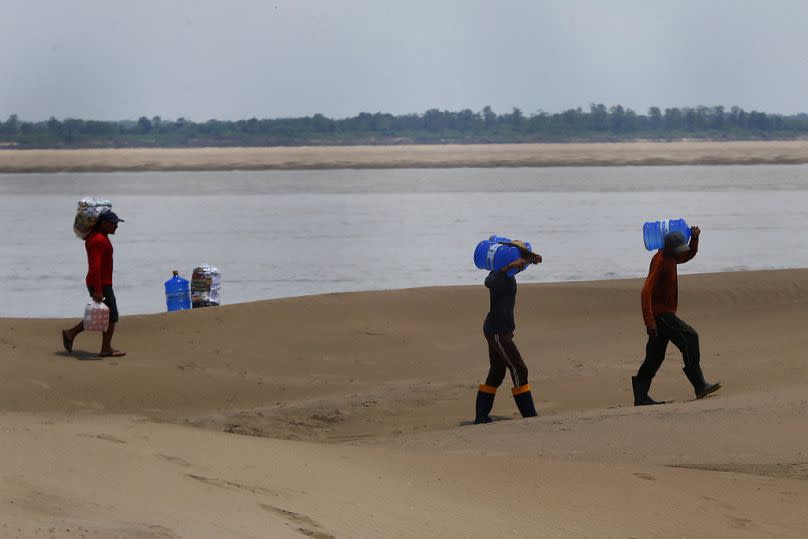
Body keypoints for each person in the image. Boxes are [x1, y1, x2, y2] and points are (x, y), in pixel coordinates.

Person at [632, 226, 720, 405]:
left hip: (662, 315)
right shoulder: (661, 260)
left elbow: (687, 256)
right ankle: (699, 385)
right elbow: (645, 292)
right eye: (678, 250)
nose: (681, 253)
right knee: (690, 337)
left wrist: (694, 239)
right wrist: (650, 322)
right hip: (661, 315)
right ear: (670, 248)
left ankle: (641, 397)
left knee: (655, 357)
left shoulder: (671, 257)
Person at [474, 241, 542, 424]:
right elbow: (488, 282)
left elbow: (521, 255)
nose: (520, 265)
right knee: (519, 368)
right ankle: (529, 415)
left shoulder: (509, 274)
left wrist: (531, 257)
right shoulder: (497, 276)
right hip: (496, 331)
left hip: (502, 330)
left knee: (497, 372)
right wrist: (508, 266)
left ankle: (481, 417)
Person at [61, 210, 126, 358]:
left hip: (101, 283)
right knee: (112, 316)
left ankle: (71, 334)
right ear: (103, 223)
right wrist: (98, 290)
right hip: (101, 283)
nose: (116, 226)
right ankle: (105, 348)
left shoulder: (99, 237)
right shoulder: (98, 240)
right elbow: (95, 267)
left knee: (101, 314)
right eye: (114, 223)